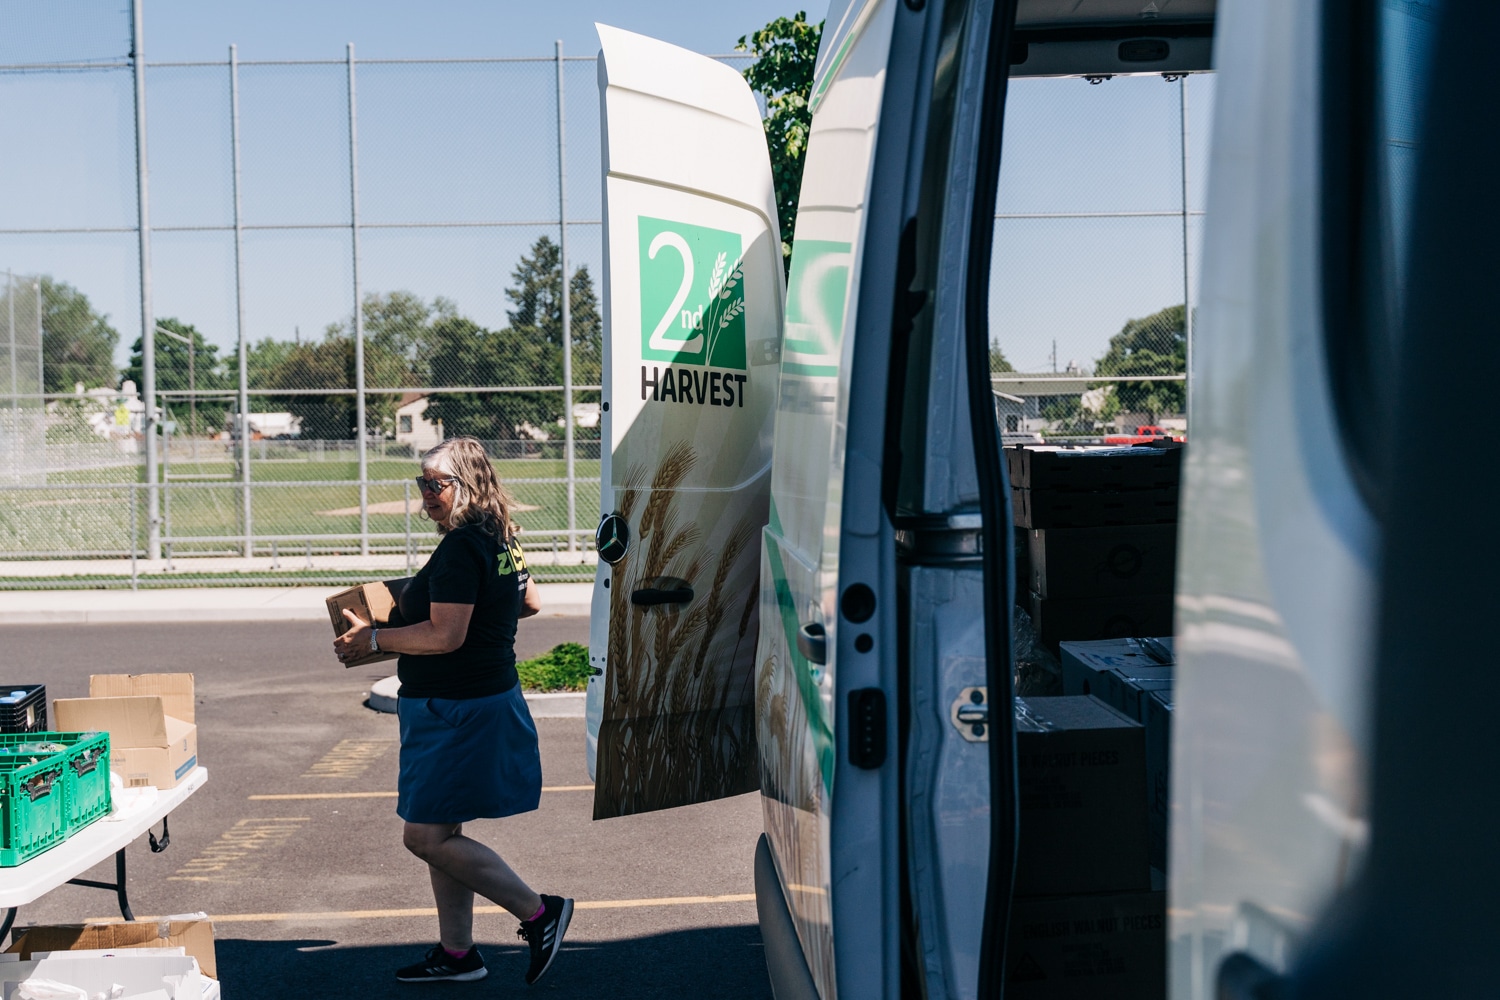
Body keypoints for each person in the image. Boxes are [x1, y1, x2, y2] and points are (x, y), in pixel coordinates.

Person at [334, 437, 572, 986]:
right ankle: (458, 954)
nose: (426, 497)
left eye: (435, 485)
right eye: (421, 485)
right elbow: (529, 601)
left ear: (467, 482)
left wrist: (374, 639)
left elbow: (445, 635)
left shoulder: (465, 545)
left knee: (425, 837)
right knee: (444, 835)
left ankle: (539, 913)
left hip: (457, 710)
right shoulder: (499, 534)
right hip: (476, 699)